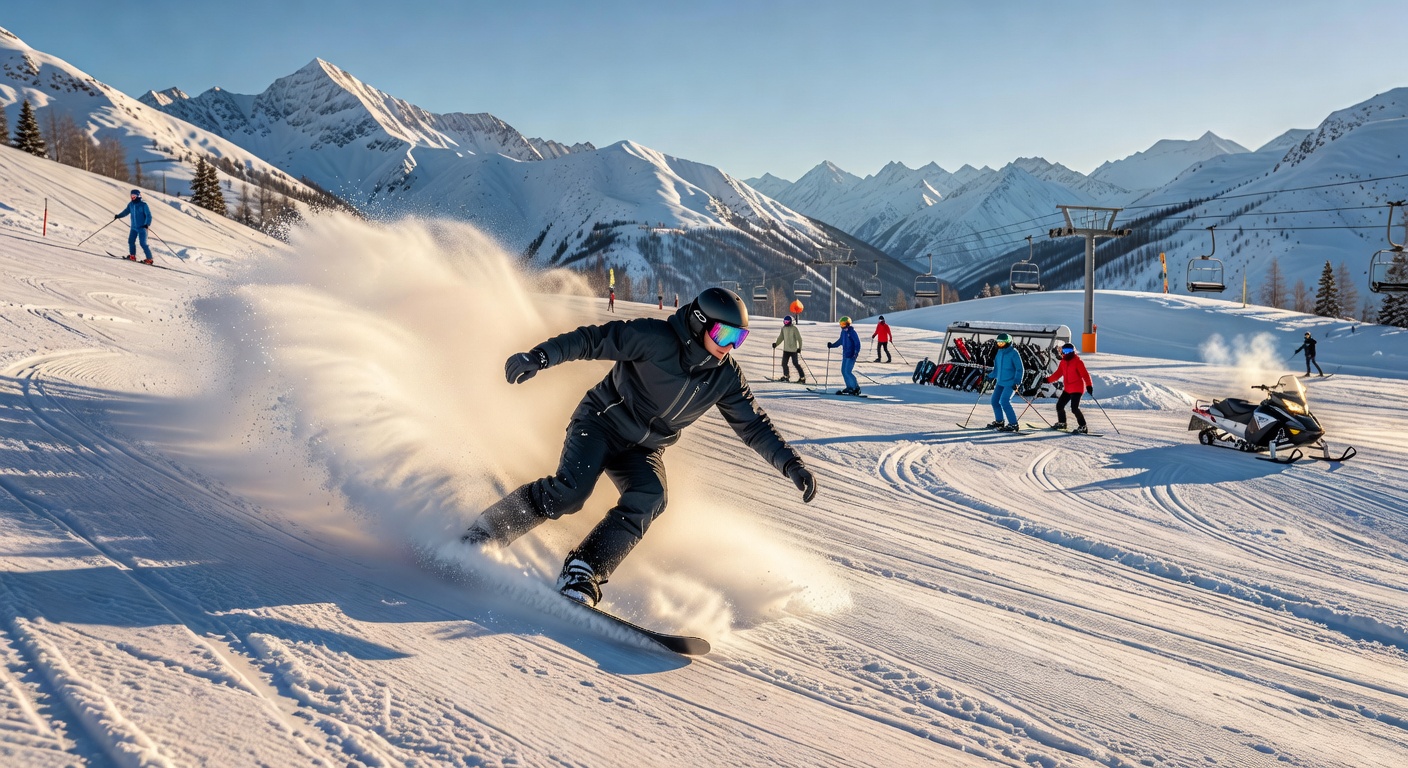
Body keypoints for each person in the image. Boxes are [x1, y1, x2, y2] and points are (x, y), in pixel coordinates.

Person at [461, 287, 817, 606]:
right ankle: (486, 532)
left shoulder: (725, 376)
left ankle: (584, 569)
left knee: (652, 496)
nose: (729, 346)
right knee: (571, 492)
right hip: (600, 422)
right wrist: (540, 357)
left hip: (644, 449)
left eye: (739, 339)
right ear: (699, 323)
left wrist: (791, 464)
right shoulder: (654, 338)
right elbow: (594, 340)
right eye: (724, 334)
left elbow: (753, 424)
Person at [1044, 342, 1093, 433]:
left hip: (1077, 389)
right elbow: (1058, 374)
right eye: (1065, 351)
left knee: (1074, 408)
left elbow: (1085, 375)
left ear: (1073, 351)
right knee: (1060, 405)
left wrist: (1089, 385)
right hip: (1068, 389)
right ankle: (1062, 423)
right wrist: (1047, 380)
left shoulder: (1078, 362)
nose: (1067, 353)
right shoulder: (1063, 362)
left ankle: (1083, 426)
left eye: (1069, 351)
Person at [986, 333, 1024, 431]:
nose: (1000, 345)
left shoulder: (1014, 353)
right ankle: (999, 421)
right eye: (998, 342)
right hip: (1000, 382)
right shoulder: (999, 352)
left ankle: (1013, 424)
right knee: (994, 401)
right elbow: (997, 369)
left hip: (1011, 383)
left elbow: (1020, 369)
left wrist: (1016, 382)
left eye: (1002, 343)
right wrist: (990, 376)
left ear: (1008, 343)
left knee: (1004, 401)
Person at [113, 189, 153, 264]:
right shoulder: (131, 204)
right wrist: (118, 216)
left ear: (138, 196)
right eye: (131, 196)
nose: (132, 197)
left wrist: (147, 224)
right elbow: (126, 212)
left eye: (134, 196)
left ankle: (149, 259)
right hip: (133, 228)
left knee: (143, 243)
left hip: (142, 228)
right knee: (131, 241)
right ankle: (132, 256)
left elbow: (148, 215)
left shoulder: (143, 205)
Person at [827, 316, 862, 395]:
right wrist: (832, 345)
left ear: (848, 324)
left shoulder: (852, 332)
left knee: (848, 372)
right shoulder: (843, 332)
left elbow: (857, 343)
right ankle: (849, 387)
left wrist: (856, 353)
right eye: (841, 324)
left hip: (851, 355)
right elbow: (840, 341)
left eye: (843, 324)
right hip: (845, 355)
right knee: (843, 371)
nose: (842, 326)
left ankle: (856, 388)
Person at [772, 315, 805, 383]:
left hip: (793, 350)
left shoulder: (794, 329)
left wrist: (799, 348)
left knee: (795, 363)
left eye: (787, 322)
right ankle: (786, 376)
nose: (786, 323)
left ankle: (802, 378)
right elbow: (781, 337)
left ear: (790, 322)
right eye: (785, 322)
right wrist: (776, 344)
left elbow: (799, 339)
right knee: (784, 363)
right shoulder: (783, 329)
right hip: (786, 350)